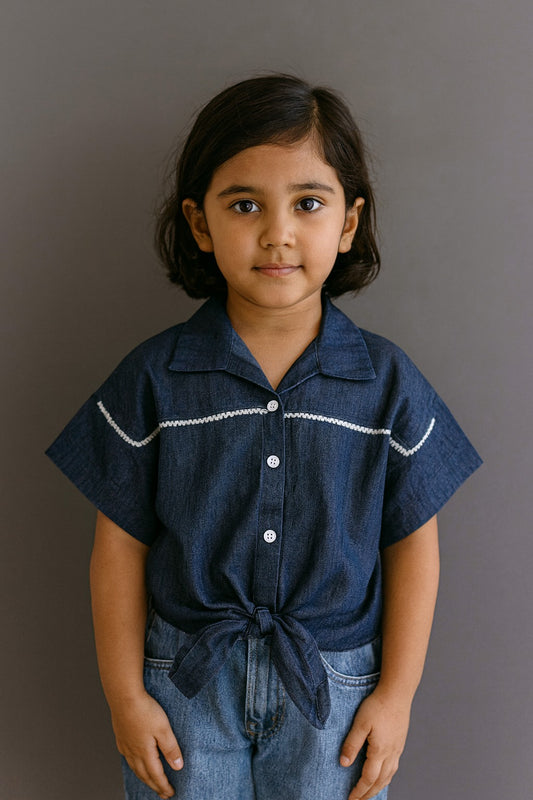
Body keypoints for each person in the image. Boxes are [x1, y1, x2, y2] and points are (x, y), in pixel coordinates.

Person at [46, 74, 482, 800]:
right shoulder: (154, 376)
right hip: (185, 685)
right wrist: (125, 696)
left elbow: (413, 548)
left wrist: (395, 697)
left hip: (335, 689)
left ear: (348, 223)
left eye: (307, 203)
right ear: (199, 224)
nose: (277, 233)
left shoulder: (387, 382)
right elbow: (117, 548)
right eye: (244, 204)